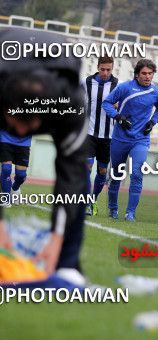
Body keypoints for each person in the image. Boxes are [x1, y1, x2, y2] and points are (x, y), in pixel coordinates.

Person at [0, 27, 87, 274]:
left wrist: (57, 238)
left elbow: (71, 175)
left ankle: (68, 265)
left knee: (78, 177)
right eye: (15, 122)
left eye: (29, 125)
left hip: (59, 72)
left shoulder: (70, 106)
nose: (19, 132)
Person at [102, 59, 158, 222]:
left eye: (150, 73)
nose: (147, 76)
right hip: (120, 138)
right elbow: (107, 103)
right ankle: (113, 209)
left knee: (137, 174)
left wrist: (152, 122)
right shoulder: (125, 87)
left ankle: (130, 213)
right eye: (144, 73)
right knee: (117, 175)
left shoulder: (157, 92)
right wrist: (118, 117)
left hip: (141, 139)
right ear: (137, 74)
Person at [82, 56, 118, 216]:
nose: (105, 72)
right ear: (97, 67)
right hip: (89, 133)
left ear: (112, 69)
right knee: (86, 168)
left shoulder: (118, 86)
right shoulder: (86, 82)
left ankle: (92, 200)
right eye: (102, 69)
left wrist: (119, 106)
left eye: (108, 70)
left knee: (102, 171)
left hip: (108, 136)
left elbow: (124, 108)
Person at [0, 129, 32, 205]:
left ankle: (15, 188)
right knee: (6, 169)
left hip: (24, 143)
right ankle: (6, 200)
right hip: (5, 139)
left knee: (21, 175)